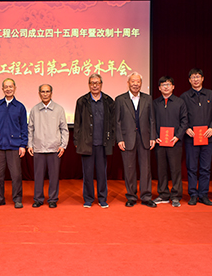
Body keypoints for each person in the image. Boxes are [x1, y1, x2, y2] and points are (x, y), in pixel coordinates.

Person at [73, 73, 115, 208]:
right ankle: (88, 199)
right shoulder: (82, 101)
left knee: (102, 173)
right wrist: (77, 141)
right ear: (89, 85)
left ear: (101, 84)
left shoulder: (108, 101)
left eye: (97, 83)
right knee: (88, 173)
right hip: (87, 143)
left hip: (103, 144)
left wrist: (112, 140)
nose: (95, 85)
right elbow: (77, 123)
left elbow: (113, 123)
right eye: (92, 83)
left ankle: (102, 198)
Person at [115, 73, 156, 207]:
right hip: (127, 138)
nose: (135, 84)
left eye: (138, 82)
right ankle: (131, 197)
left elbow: (152, 119)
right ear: (128, 83)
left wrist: (153, 137)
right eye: (133, 81)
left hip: (145, 138)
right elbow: (117, 121)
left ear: (141, 84)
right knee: (129, 168)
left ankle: (146, 197)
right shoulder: (120, 99)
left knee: (146, 168)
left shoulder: (148, 98)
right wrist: (119, 139)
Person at [181, 68, 212, 206]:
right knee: (191, 167)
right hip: (191, 138)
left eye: (198, 77)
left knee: (205, 168)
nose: (195, 79)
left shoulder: (211, 95)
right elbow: (182, 116)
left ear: (203, 78)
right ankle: (193, 194)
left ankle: (203, 194)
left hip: (207, 137)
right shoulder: (184, 97)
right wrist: (186, 128)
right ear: (189, 80)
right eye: (193, 77)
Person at [0, 78, 28, 209]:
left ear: (15, 88)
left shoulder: (20, 107)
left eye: (11, 87)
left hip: (14, 145)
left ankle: (17, 199)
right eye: (6, 87)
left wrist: (23, 145)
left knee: (16, 175)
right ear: (2, 89)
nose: (8, 89)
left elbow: (24, 127)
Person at [27, 84, 69, 209]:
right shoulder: (34, 109)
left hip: (54, 148)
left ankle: (53, 199)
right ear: (39, 93)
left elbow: (64, 129)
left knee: (54, 176)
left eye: (47, 91)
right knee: (38, 176)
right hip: (38, 148)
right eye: (43, 92)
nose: (45, 94)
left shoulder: (59, 109)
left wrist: (63, 145)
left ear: (51, 93)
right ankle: (38, 199)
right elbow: (30, 129)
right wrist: (30, 144)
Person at [153, 76, 188, 207]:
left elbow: (185, 121)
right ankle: (163, 194)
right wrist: (155, 136)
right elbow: (151, 121)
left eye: (168, 84)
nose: (166, 87)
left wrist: (177, 137)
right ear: (159, 88)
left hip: (175, 142)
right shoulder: (155, 103)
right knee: (161, 170)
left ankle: (176, 196)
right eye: (163, 85)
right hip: (160, 142)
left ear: (173, 87)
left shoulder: (180, 102)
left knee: (175, 170)